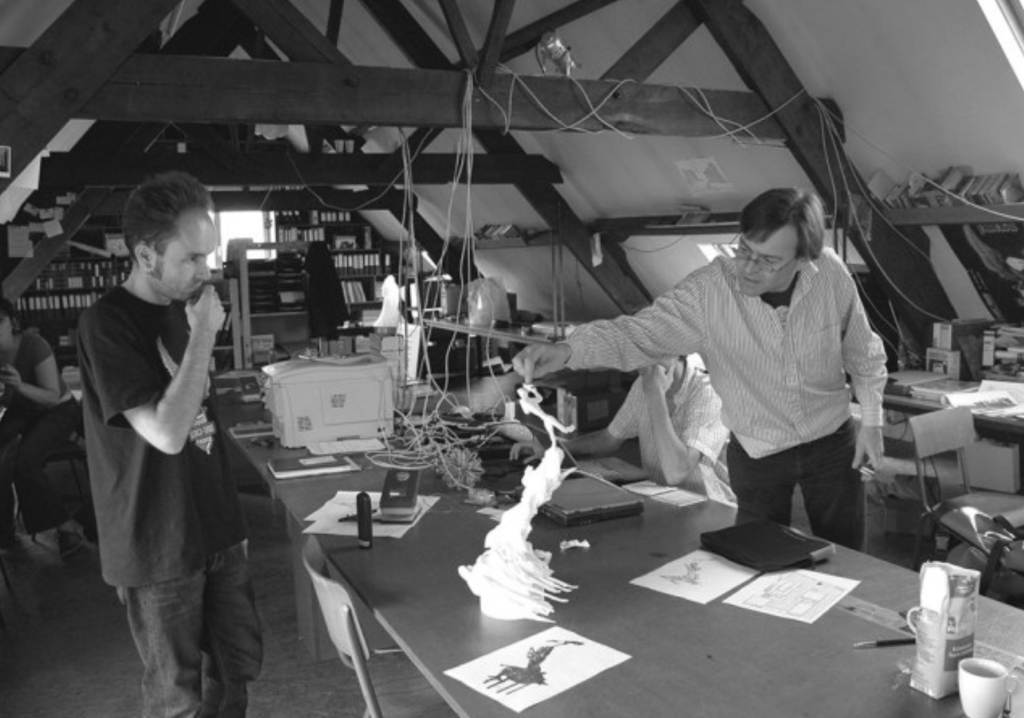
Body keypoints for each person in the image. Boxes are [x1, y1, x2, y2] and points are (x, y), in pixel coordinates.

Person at [513, 188, 887, 550]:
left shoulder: (831, 276)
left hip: (832, 441)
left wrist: (871, 423)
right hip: (758, 449)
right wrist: (568, 350)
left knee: (845, 559)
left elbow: (864, 353)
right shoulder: (709, 292)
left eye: (768, 260)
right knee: (757, 559)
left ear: (804, 259)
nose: (748, 268)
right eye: (744, 249)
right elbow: (639, 334)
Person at [77, 171, 263, 717]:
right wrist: (205, 333)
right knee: (176, 696)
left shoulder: (185, 307)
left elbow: (201, 412)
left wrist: (233, 526)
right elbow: (167, 431)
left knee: (235, 670)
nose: (207, 272)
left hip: (215, 527)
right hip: (155, 539)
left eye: (209, 257)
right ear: (145, 255)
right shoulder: (106, 323)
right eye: (191, 259)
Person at [512, 357, 734, 504]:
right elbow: (608, 438)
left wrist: (655, 397)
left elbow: (677, 471)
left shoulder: (710, 393)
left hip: (709, 508)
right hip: (662, 501)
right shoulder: (643, 384)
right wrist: (555, 449)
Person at [0, 297, 88, 555]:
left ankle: (65, 528)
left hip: (58, 410)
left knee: (25, 462)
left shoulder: (33, 345)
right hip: (22, 412)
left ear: (12, 323)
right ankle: (5, 531)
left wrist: (18, 385)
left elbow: (50, 396)